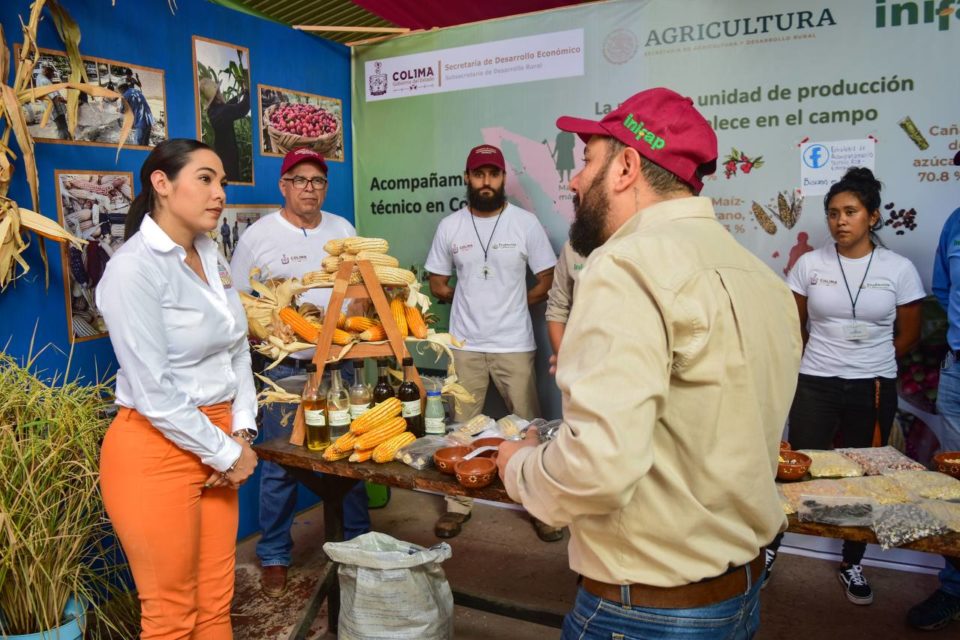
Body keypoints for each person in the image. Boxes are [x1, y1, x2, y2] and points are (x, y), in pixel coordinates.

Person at [497, 88, 802, 639]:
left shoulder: (624, 267)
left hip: (645, 613)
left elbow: (597, 469)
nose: (573, 178)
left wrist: (517, 465)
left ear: (626, 166)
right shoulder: (761, 277)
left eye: (587, 159)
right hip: (739, 596)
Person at [96, 138, 259, 639]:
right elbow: (154, 391)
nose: (219, 194)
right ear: (161, 185)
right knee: (171, 615)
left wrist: (242, 431)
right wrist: (224, 452)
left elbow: (236, 348)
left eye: (222, 183)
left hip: (219, 434)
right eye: (205, 179)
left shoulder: (211, 255)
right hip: (154, 445)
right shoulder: (133, 269)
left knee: (214, 604)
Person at [766, 167, 925, 605]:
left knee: (864, 474)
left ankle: (852, 560)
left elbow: (911, 333)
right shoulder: (810, 265)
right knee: (798, 469)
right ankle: (771, 549)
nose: (840, 221)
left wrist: (870, 362)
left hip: (872, 385)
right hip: (815, 382)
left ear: (872, 217)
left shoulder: (898, 268)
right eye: (833, 213)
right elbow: (791, 326)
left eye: (851, 212)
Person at [230, 147, 370, 598]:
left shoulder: (342, 229)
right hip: (286, 367)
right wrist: (273, 330)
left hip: (342, 365)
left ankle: (360, 544)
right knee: (281, 465)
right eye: (300, 179)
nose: (309, 188)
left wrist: (361, 308)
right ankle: (273, 553)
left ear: (325, 188)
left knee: (351, 456)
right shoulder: (259, 236)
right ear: (284, 186)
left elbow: (360, 289)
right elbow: (241, 302)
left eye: (317, 181)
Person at [425, 143, 557, 540]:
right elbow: (437, 282)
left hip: (515, 342)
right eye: (479, 174)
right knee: (461, 427)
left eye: (493, 174)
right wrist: (467, 301)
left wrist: (517, 303)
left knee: (529, 426)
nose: (486, 181)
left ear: (503, 178)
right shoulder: (451, 226)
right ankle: (457, 504)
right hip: (465, 345)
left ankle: (540, 507)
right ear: (468, 178)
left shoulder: (525, 224)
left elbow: (547, 279)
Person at [908, 204, 960, 630]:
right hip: (957, 366)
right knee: (955, 479)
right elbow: (943, 291)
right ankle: (954, 587)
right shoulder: (955, 222)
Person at [545, 239, 586, 375]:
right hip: (581, 360)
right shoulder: (573, 246)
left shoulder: (644, 240)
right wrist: (564, 362)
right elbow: (557, 308)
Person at [199, 75, 250, 182]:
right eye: (219, 91)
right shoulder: (223, 111)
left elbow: (227, 108)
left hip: (221, 158)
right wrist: (247, 91)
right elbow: (243, 108)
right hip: (229, 162)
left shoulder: (213, 111)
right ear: (217, 94)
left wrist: (238, 96)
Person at [36, 65, 70, 139]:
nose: (53, 75)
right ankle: (65, 141)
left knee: (60, 127)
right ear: (47, 71)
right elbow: (56, 97)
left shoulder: (39, 77)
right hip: (56, 109)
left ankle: (66, 137)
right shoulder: (45, 81)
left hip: (48, 107)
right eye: (52, 73)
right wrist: (68, 102)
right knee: (62, 127)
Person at [120, 81, 155, 147]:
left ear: (121, 89)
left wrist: (117, 109)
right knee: (145, 145)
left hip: (141, 122)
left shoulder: (125, 96)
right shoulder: (136, 91)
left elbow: (123, 110)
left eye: (119, 91)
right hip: (149, 120)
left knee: (137, 146)